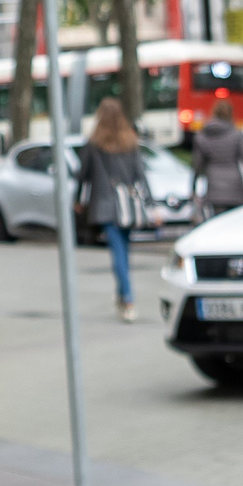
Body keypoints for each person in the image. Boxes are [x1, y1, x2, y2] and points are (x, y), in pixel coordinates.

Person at [73, 97, 150, 322]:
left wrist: (78, 199)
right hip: (128, 204)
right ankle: (123, 296)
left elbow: (82, 176)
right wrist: (150, 203)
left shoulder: (94, 144)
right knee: (124, 251)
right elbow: (140, 175)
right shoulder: (130, 141)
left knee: (118, 253)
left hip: (106, 204)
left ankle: (127, 298)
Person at [190, 98, 243, 220]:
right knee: (235, 224)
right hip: (235, 188)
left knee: (218, 224)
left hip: (214, 189)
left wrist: (193, 188)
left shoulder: (203, 136)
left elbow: (197, 165)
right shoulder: (236, 134)